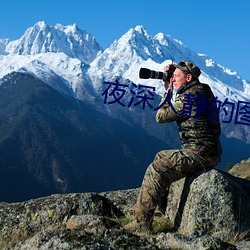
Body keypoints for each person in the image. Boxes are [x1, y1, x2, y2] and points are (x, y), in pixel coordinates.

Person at [124, 61, 222, 233]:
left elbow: (161, 116)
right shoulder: (203, 89)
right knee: (161, 156)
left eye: (177, 76)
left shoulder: (190, 97)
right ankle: (161, 210)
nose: (173, 79)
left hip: (199, 153)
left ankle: (141, 224)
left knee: (157, 168)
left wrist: (167, 91)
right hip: (209, 151)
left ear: (189, 77)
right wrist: (174, 75)